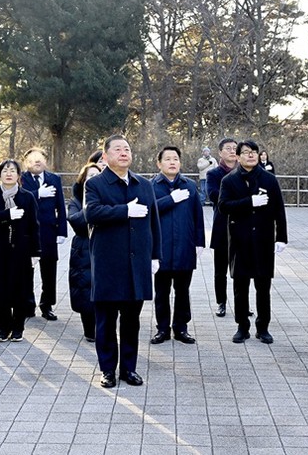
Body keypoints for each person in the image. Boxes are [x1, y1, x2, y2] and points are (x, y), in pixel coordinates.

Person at [84, 134, 161, 388]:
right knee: (106, 321)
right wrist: (125, 210)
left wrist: (155, 255)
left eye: (127, 148)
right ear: (105, 156)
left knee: (131, 320)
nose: (124, 152)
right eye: (117, 149)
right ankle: (108, 369)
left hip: (136, 263)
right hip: (108, 262)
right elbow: (91, 213)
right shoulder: (95, 184)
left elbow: (154, 223)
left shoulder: (144, 184)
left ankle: (129, 369)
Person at [219, 139, 287, 344]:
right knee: (240, 287)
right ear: (238, 157)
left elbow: (279, 209)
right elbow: (223, 206)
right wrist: (249, 202)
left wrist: (281, 237)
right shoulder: (229, 180)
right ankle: (242, 327)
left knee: (263, 287)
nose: (250, 155)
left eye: (254, 152)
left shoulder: (269, 179)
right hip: (239, 240)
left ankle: (263, 327)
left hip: (264, 240)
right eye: (246, 152)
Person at [0, 159, 41, 342]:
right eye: (5, 170)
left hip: (22, 250)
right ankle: (3, 327)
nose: (9, 174)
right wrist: (6, 215)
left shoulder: (27, 197)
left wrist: (36, 252)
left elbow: (34, 225)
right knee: (2, 289)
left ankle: (18, 328)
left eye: (13, 170)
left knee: (20, 289)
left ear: (18, 175)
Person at [150, 146, 205, 345]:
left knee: (183, 291)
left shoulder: (189, 185)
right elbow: (149, 211)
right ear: (159, 164)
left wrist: (199, 242)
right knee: (161, 292)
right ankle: (162, 329)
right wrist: (170, 200)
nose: (172, 162)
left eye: (175, 159)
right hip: (161, 248)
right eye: (167, 159)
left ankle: (181, 328)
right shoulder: (151, 186)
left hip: (184, 246)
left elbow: (198, 215)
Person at [21, 147, 68, 320]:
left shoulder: (54, 179)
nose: (37, 162)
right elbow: (19, 199)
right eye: (33, 159)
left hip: (48, 230)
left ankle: (47, 305)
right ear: (27, 163)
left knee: (49, 270)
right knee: (27, 270)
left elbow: (61, 205)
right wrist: (37, 194)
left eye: (40, 159)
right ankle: (28, 304)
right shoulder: (22, 178)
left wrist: (62, 231)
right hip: (28, 231)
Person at [67, 163, 103, 342]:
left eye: (97, 175)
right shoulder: (75, 201)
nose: (94, 179)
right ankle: (89, 330)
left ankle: (103, 328)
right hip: (82, 249)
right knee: (83, 290)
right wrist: (90, 206)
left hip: (104, 248)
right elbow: (77, 222)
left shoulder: (108, 197)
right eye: (90, 176)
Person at [206, 138, 238, 317]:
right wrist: (240, 200)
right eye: (228, 148)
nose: (232, 151)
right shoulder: (213, 174)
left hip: (242, 227)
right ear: (220, 152)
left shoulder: (245, 172)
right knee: (220, 271)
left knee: (241, 270)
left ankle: (242, 303)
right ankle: (221, 302)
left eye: (235, 148)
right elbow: (213, 195)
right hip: (222, 227)